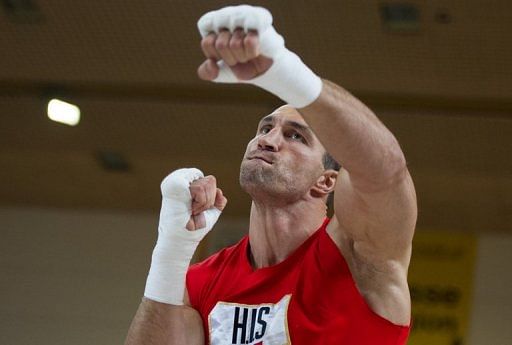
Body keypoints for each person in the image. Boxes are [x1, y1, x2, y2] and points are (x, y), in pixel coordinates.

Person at [125, 5, 417, 345]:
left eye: (296, 136)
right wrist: (170, 252)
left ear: (327, 180)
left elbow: (386, 171)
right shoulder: (200, 282)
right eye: (265, 127)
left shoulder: (357, 256)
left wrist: (286, 74)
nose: (268, 139)